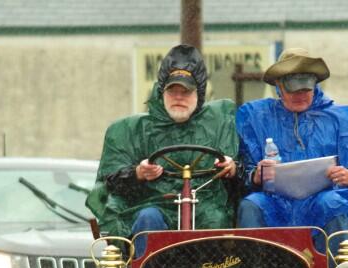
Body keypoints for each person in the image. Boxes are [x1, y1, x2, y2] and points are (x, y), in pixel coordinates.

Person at [236, 48, 348, 261]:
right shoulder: (255, 117)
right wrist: (255, 175)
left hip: (324, 203)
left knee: (331, 202)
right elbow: (240, 167)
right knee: (251, 205)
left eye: (305, 89)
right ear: (278, 86)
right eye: (292, 90)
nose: (299, 96)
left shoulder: (347, 119)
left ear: (315, 85)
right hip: (274, 205)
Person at [86, 44, 240, 256]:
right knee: (148, 218)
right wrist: (138, 173)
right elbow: (111, 180)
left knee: (218, 221)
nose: (179, 97)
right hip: (155, 204)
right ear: (162, 91)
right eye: (172, 91)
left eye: (186, 92)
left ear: (199, 93)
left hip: (206, 205)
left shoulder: (220, 124)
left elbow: (245, 170)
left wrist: (232, 167)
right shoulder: (135, 131)